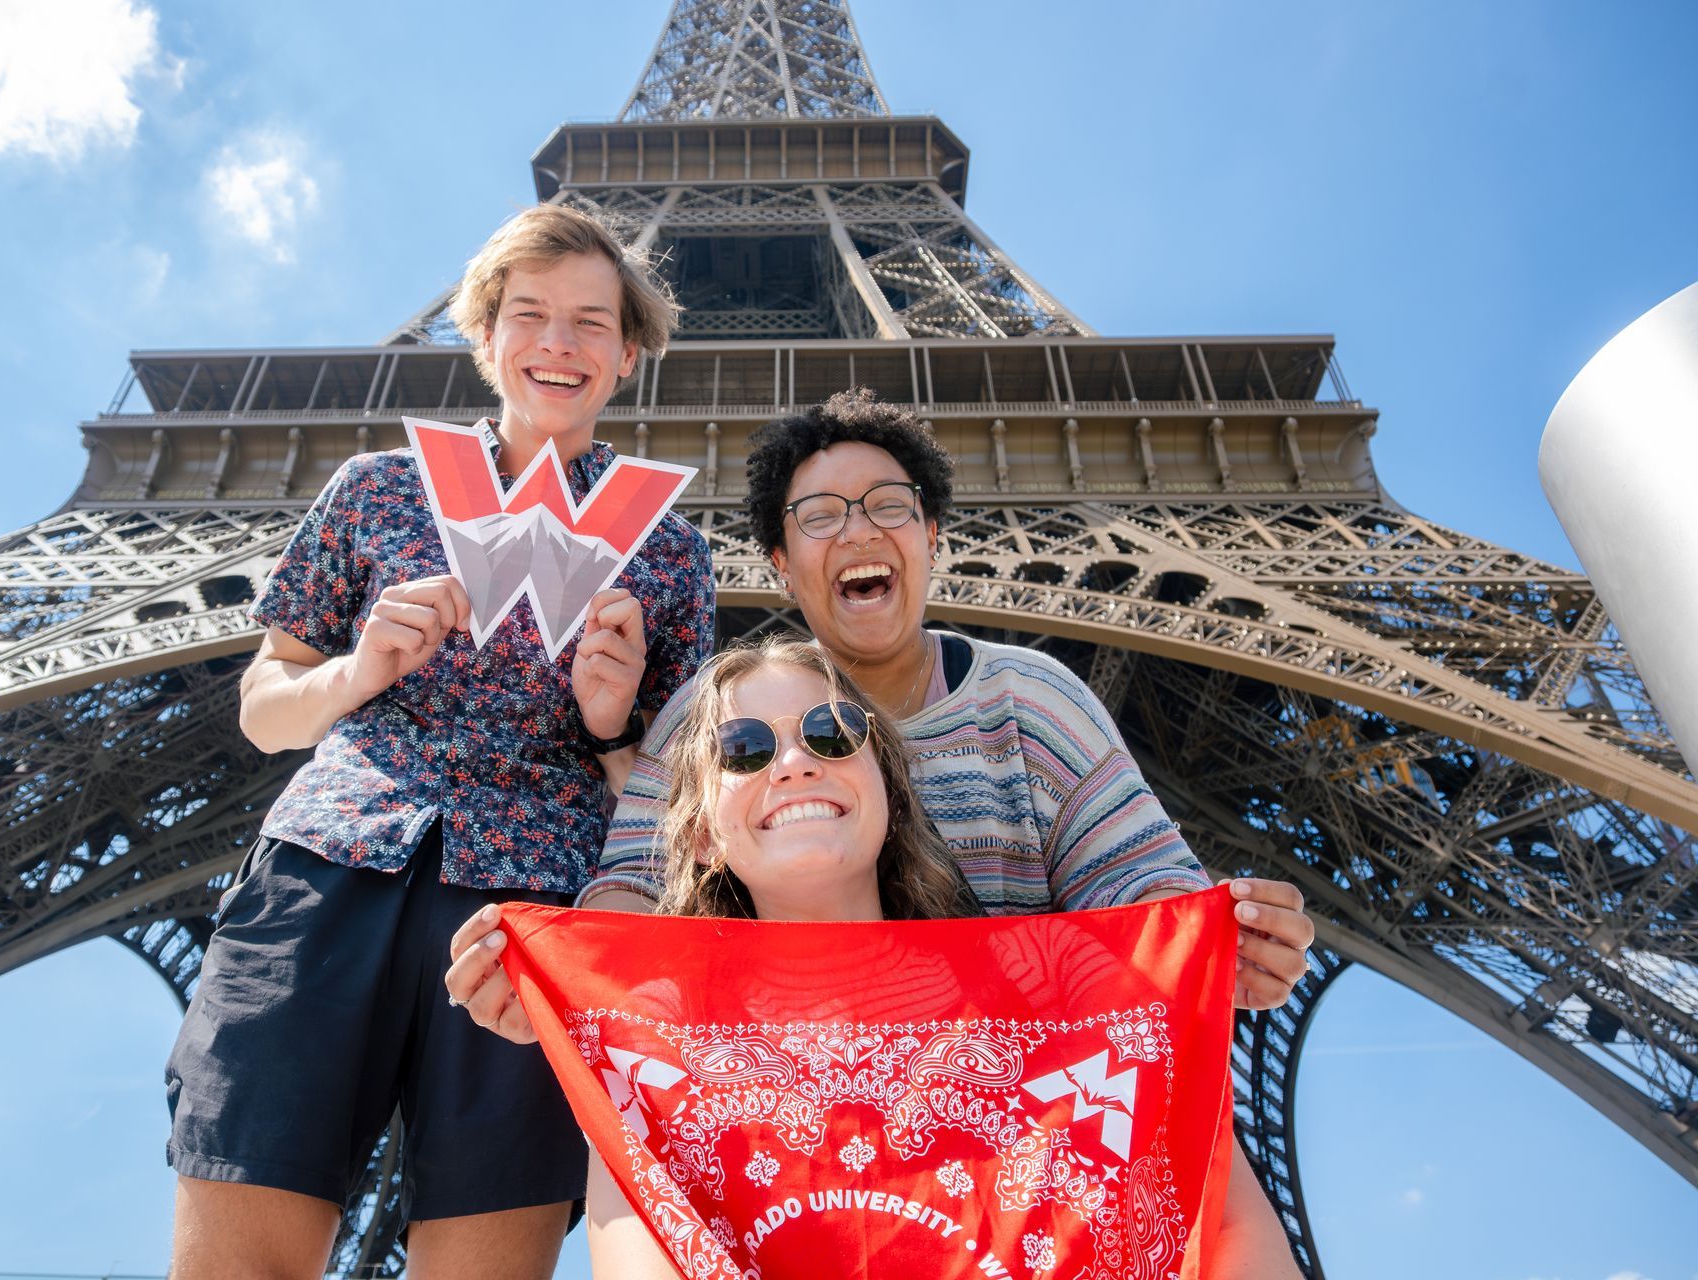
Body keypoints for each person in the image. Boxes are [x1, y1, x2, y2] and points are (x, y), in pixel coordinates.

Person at [162, 204, 716, 1280]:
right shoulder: (376, 488)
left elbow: (679, 805)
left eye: (591, 322)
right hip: (330, 863)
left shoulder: (671, 553)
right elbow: (265, 703)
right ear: (485, 334)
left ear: (629, 354)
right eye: (530, 314)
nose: (558, 342)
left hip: (535, 916)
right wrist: (357, 670)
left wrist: (615, 724)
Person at [451, 390, 1316, 1048]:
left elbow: (1137, 885)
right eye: (820, 517)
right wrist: (559, 973)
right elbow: (636, 895)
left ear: (932, 533)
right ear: (784, 568)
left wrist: (1217, 936)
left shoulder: (1032, 698)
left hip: (1029, 1115)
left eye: (889, 506)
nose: (858, 529)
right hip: (785, 1112)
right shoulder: (709, 714)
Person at [448, 638, 1302, 1278]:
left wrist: (1216, 942)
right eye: (741, 750)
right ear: (703, 835)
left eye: (830, 732)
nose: (791, 763)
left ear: (889, 787)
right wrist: (565, 975)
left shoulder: (1061, 999)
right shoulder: (652, 1049)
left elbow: (1214, 1216)